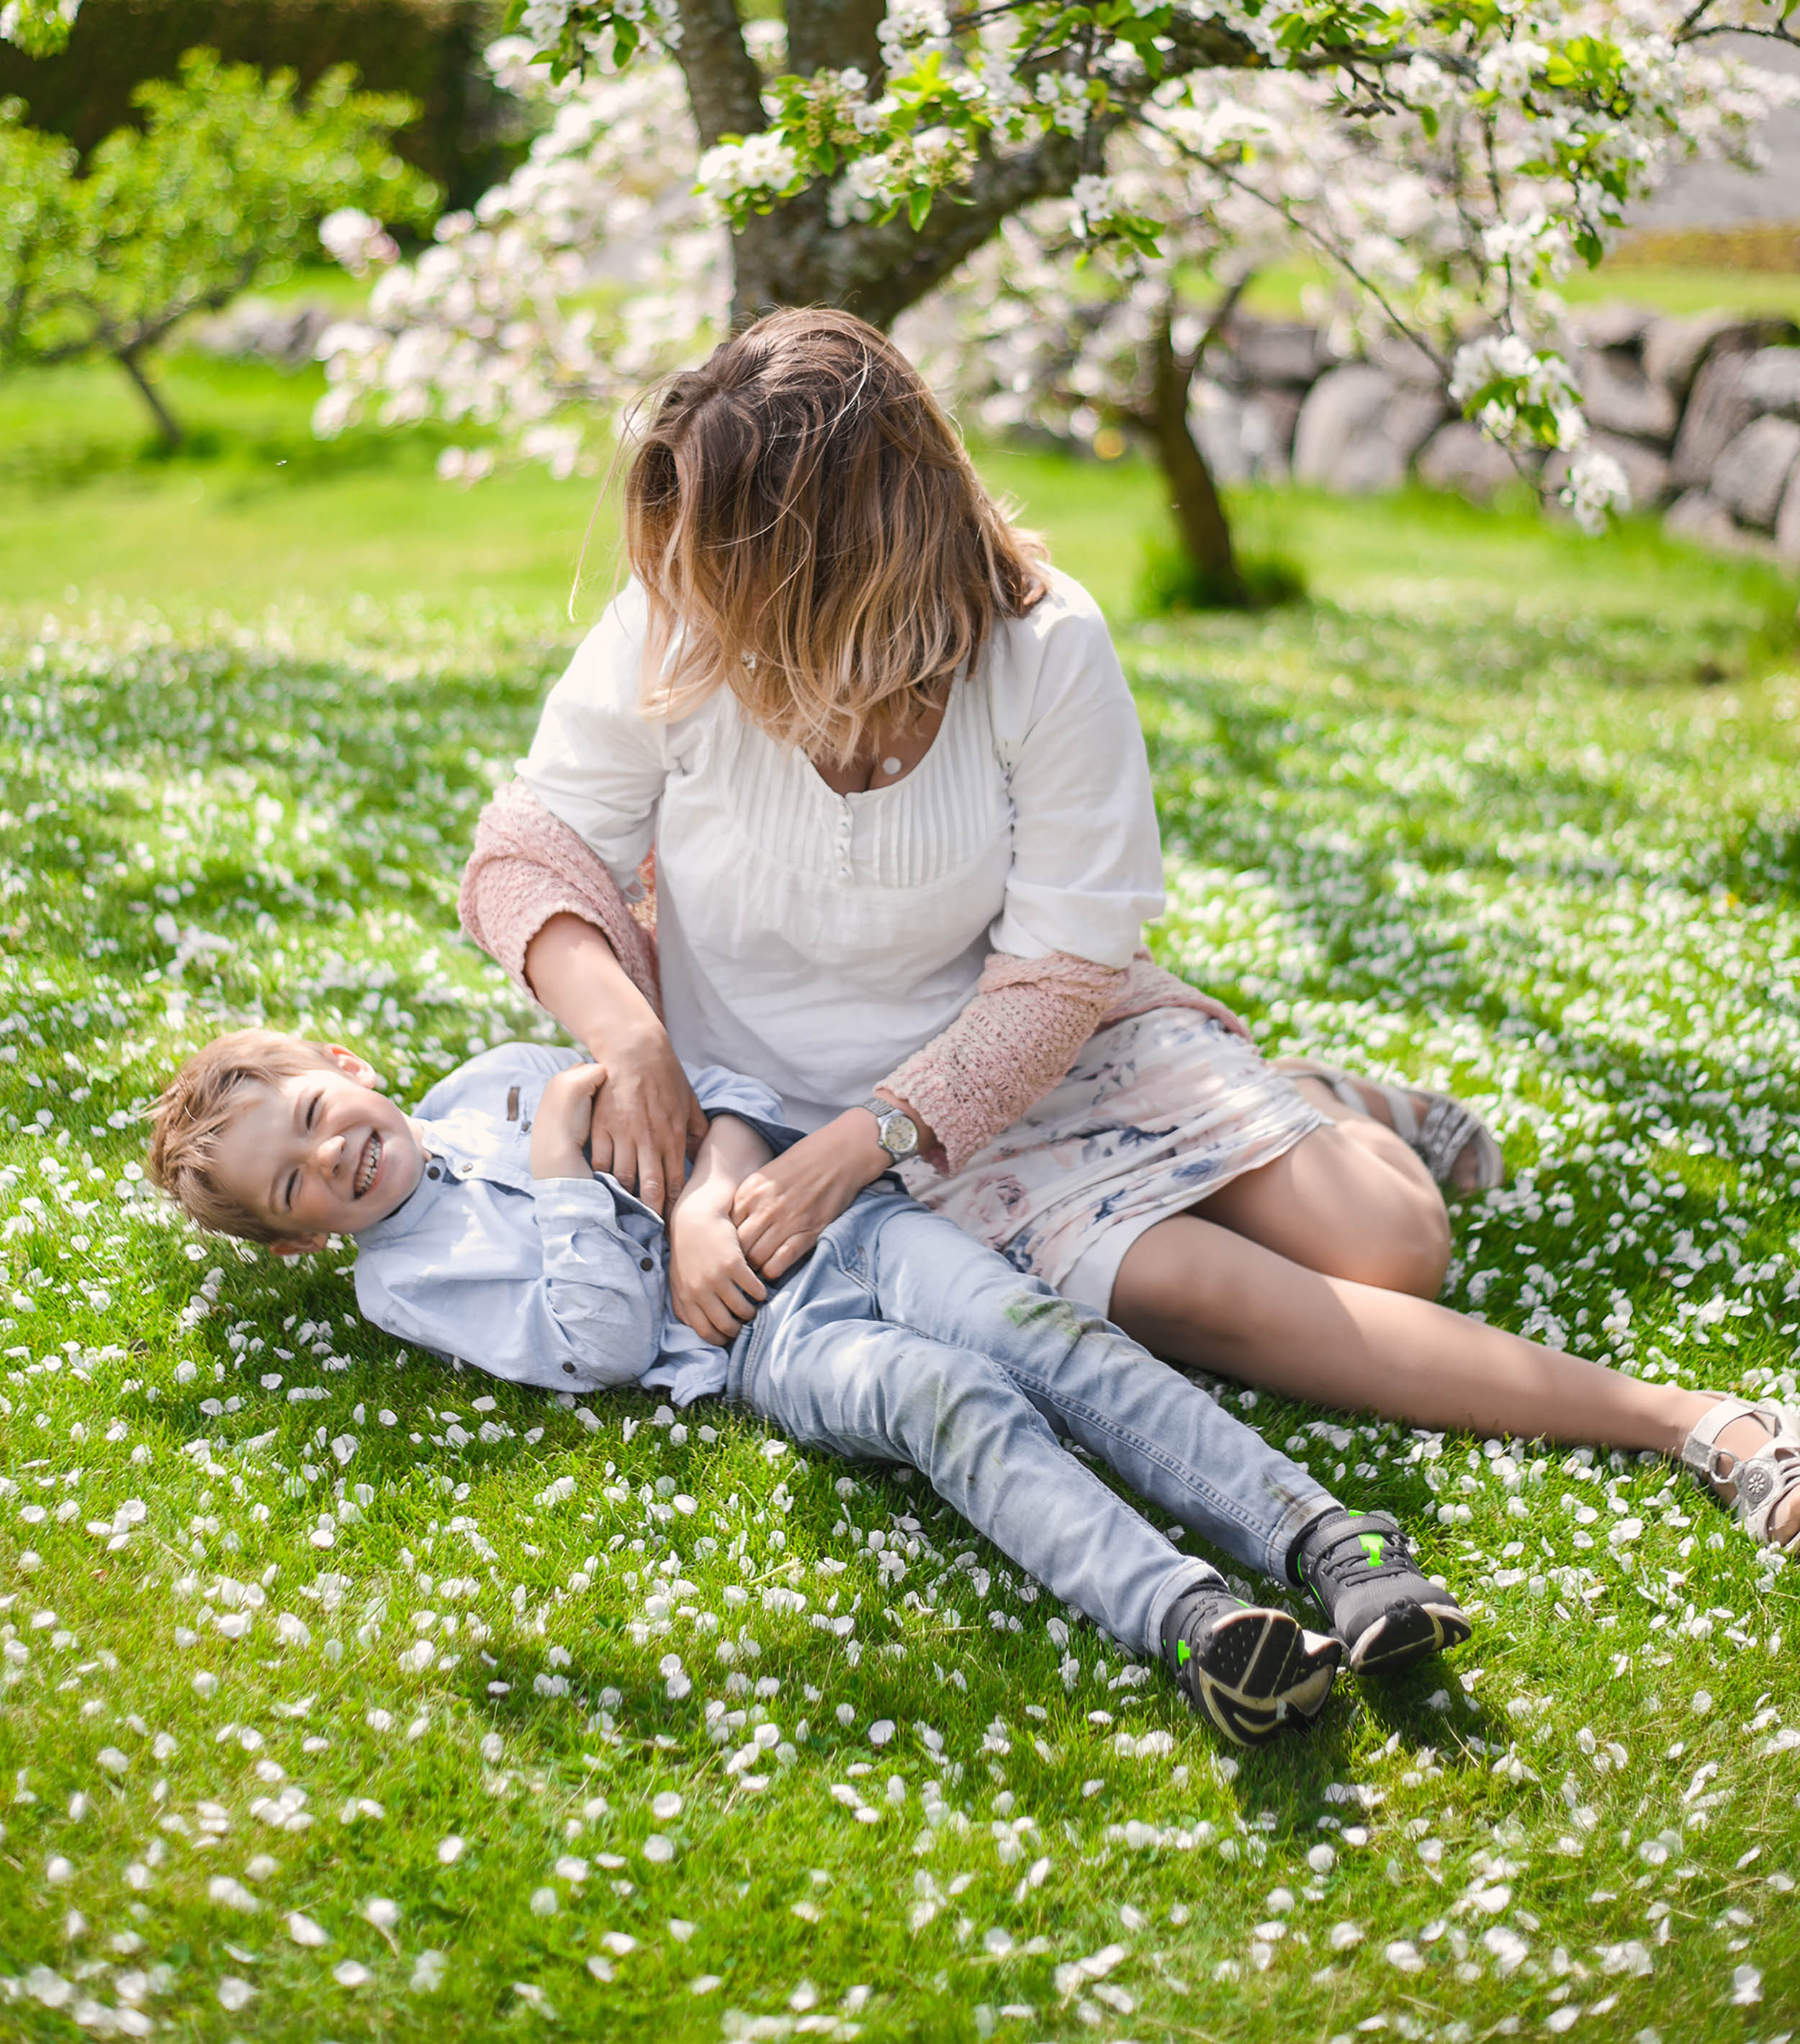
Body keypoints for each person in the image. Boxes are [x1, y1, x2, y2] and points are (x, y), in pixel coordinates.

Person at [459, 309, 1800, 1558]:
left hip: (1024, 1062)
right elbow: (527, 856)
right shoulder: (676, 626)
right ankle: (1688, 1420)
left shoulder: (1043, 650)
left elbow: (1053, 982)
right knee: (1219, 1301)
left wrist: (858, 1151)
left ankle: (1328, 1105)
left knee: (1398, 1246)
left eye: (742, 564)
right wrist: (634, 1040)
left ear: (850, 560)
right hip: (782, 1117)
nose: (701, 596)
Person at [144, 1027, 1475, 1741]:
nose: (331, 1160)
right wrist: (561, 1159)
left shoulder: (496, 1075)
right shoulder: (406, 1280)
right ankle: (1196, 1627)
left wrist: (712, 1180)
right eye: (294, 1186)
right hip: (755, 1343)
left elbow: (717, 1090)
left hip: (840, 1222)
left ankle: (1329, 1542)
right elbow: (598, 1344)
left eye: (313, 1119)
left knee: (1040, 1334)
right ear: (301, 1242)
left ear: (345, 1069)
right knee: (947, 1401)